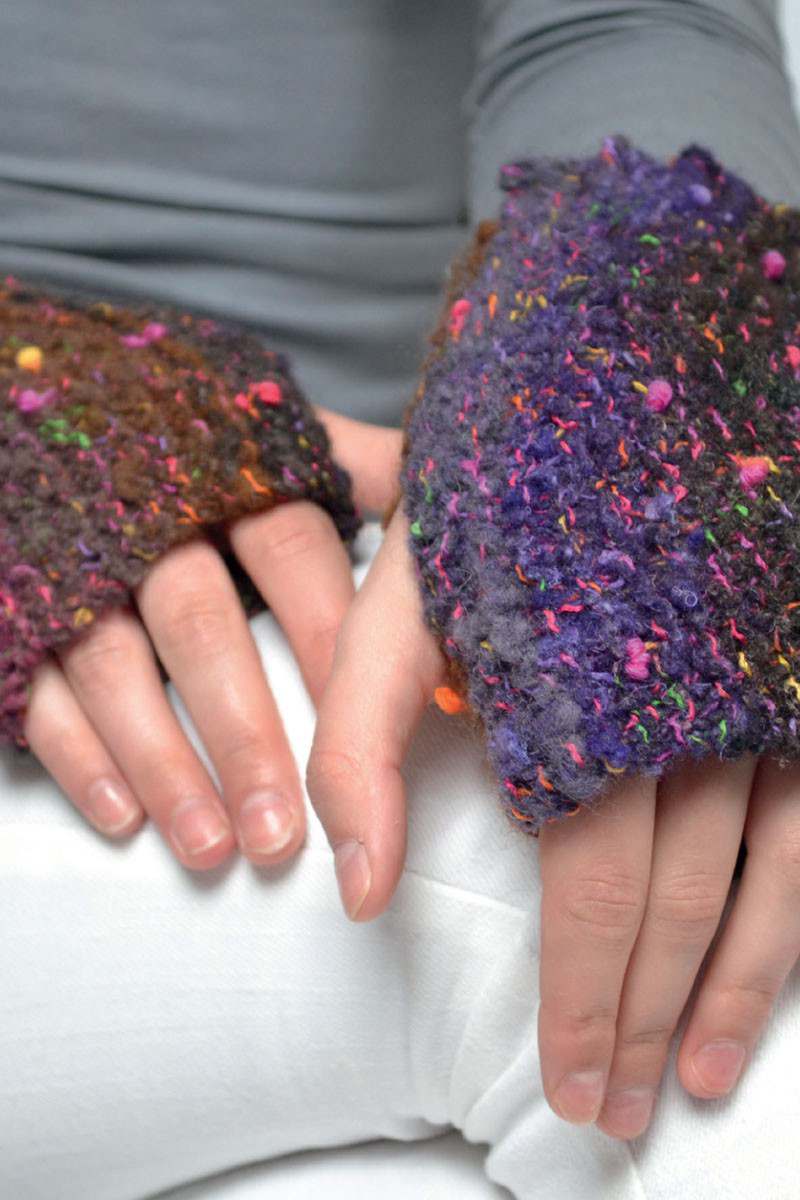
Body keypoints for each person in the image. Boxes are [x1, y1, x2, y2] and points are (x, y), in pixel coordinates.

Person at [2, 1, 800, 1193]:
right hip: (79, 602)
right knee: (630, 961)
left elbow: (630, 17)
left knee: (696, 871)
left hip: (419, 519)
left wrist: (620, 327)